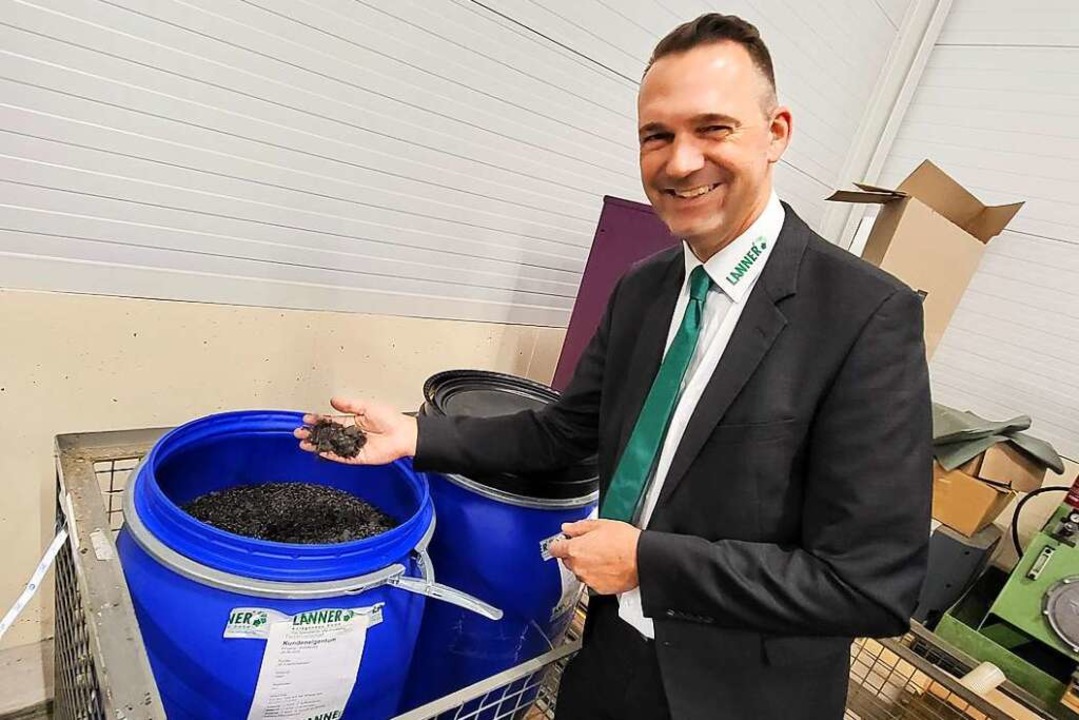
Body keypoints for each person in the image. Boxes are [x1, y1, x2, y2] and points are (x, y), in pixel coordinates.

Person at [297, 13, 932, 720]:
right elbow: (559, 434)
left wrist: (649, 564)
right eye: (656, 136)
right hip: (609, 660)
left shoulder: (864, 317)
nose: (680, 161)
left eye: (712, 128)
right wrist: (416, 437)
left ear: (776, 132)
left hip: (735, 694)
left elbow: (869, 584)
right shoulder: (644, 288)